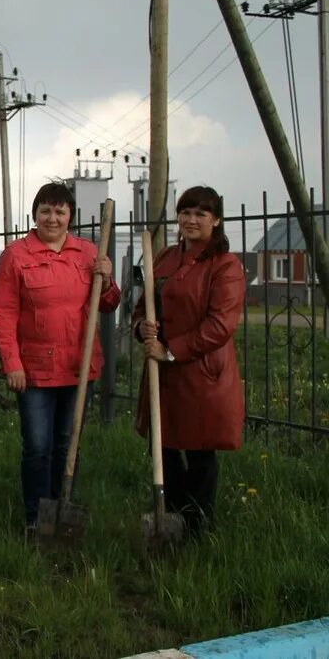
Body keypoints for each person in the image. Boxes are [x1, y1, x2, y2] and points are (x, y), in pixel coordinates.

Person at [0, 182, 120, 535]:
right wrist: (11, 363)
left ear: (70, 217)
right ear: (35, 215)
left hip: (79, 367)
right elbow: (3, 314)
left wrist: (107, 281)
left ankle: (61, 508)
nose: (52, 217)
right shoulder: (16, 256)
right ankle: (36, 516)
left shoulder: (88, 253)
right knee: (37, 446)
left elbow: (108, 304)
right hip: (34, 370)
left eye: (60, 211)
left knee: (67, 442)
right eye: (45, 210)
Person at [133, 185, 245, 534]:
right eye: (186, 213)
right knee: (162, 449)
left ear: (216, 220)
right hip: (163, 376)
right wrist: (141, 329)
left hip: (200, 374)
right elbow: (140, 307)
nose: (191, 220)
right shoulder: (165, 257)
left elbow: (219, 326)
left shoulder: (224, 266)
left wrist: (170, 350)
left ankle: (197, 527)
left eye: (200, 214)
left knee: (199, 454)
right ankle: (175, 519)